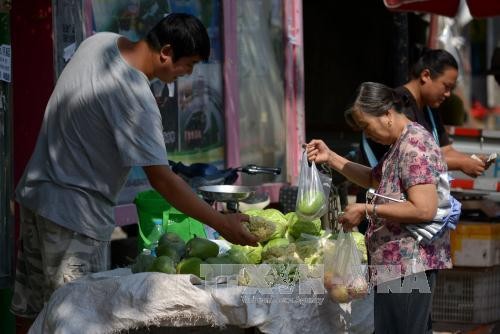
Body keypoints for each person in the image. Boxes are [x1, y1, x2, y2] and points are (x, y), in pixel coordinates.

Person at [10, 13, 258, 325]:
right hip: (74, 218)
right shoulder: (136, 97)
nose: (187, 73)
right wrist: (222, 224)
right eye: (188, 64)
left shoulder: (99, 44)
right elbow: (162, 180)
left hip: (38, 195)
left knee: (33, 313)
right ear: (166, 53)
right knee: (76, 320)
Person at [307, 82, 452, 334]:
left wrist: (366, 209)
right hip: (395, 264)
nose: (367, 134)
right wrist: (331, 157)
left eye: (366, 126)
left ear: (386, 113)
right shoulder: (400, 143)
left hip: (409, 264)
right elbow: (376, 180)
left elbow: (424, 209)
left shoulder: (415, 145)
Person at [356, 48, 491, 233]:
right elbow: (415, 158)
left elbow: (445, 150)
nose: (448, 94)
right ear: (426, 75)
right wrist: (461, 163)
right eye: (446, 86)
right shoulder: (399, 107)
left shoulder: (429, 107)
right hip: (389, 217)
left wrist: (471, 160)